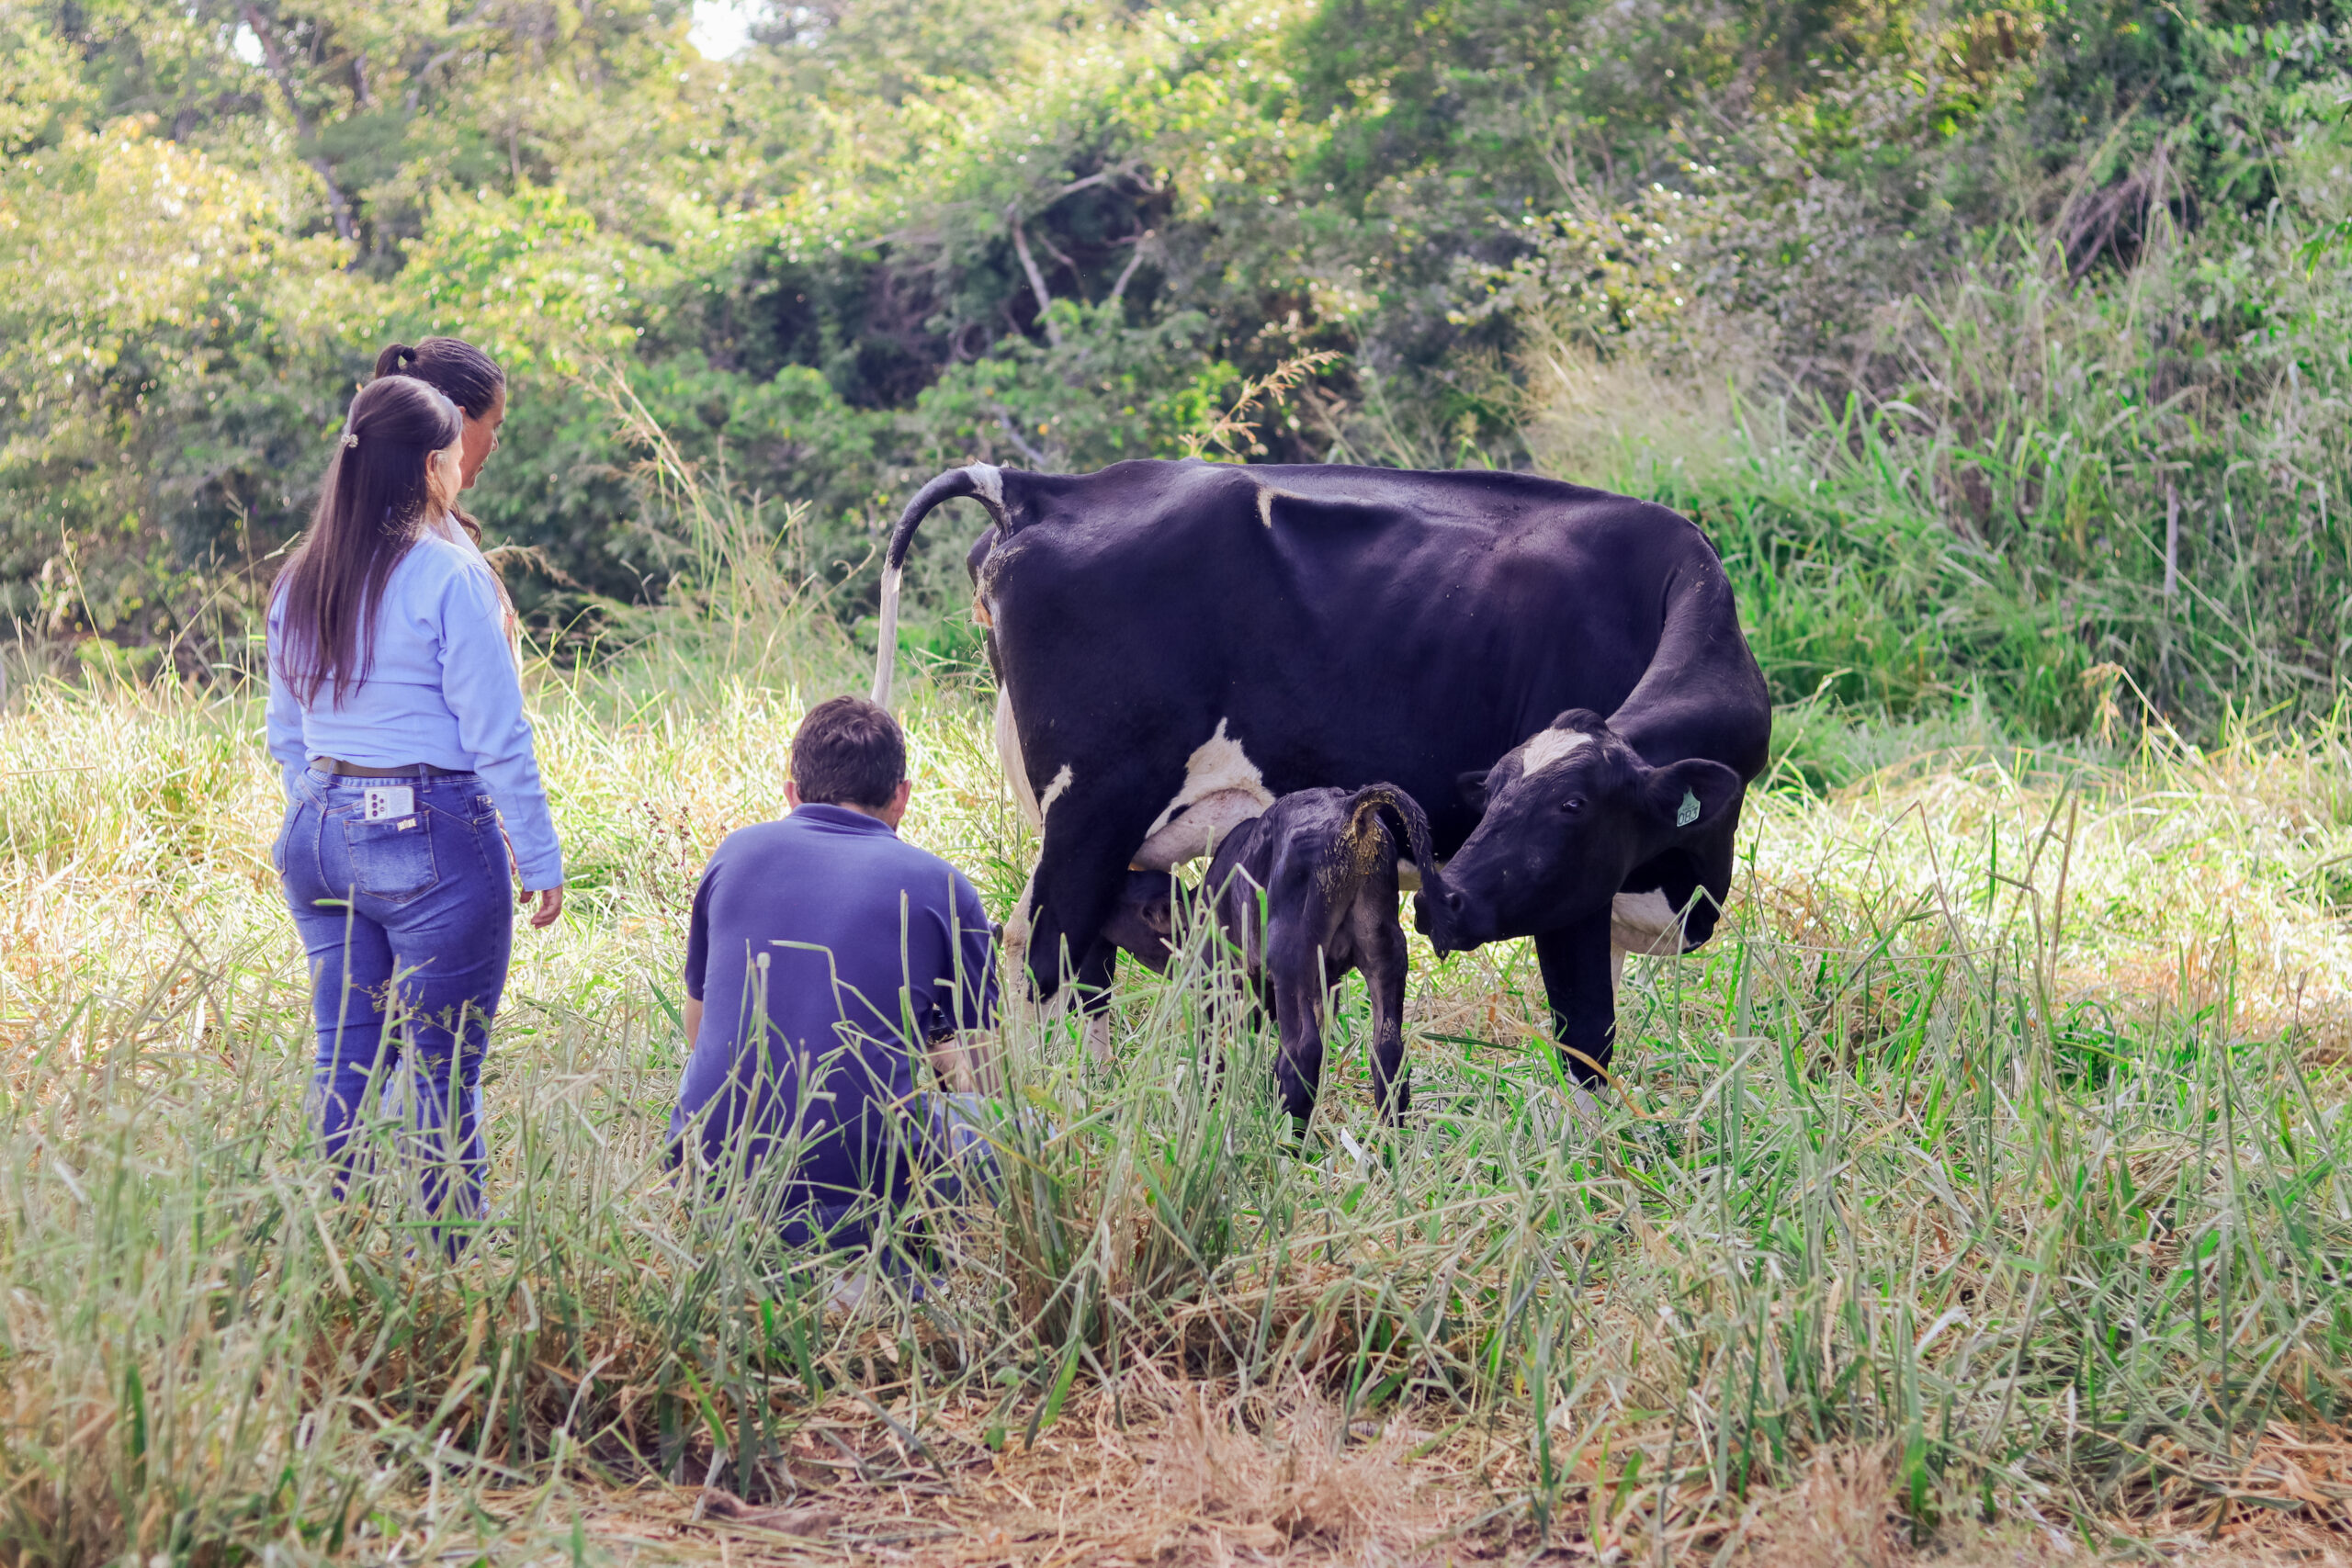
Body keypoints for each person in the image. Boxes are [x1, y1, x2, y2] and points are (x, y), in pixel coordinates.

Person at [265, 372, 564, 1248]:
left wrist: (327, 807)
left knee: (344, 1057)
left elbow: (285, 732)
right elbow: (497, 734)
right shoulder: (448, 574)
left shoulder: (299, 578)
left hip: (320, 828)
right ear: (436, 467)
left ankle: (337, 1245)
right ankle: (450, 1262)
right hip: (432, 833)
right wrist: (538, 857)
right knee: (441, 1068)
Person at [671, 696, 997, 1256]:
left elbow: (699, 1032)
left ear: (791, 791)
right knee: (1025, 1127)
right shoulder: (945, 886)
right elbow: (992, 1074)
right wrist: (940, 1062)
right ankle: (923, 1261)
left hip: (710, 1178)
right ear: (902, 797)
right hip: (868, 1189)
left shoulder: (733, 855)